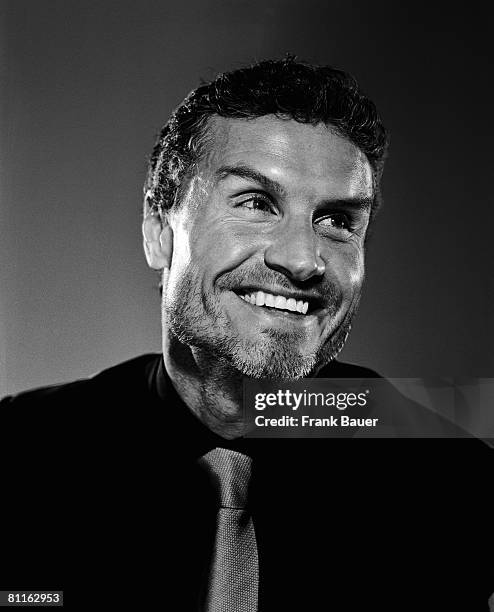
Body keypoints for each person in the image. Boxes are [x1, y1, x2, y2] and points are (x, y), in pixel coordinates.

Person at [1, 57, 492, 610]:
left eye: (337, 220)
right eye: (257, 203)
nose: (303, 259)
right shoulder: (19, 457)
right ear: (159, 229)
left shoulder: (448, 477)